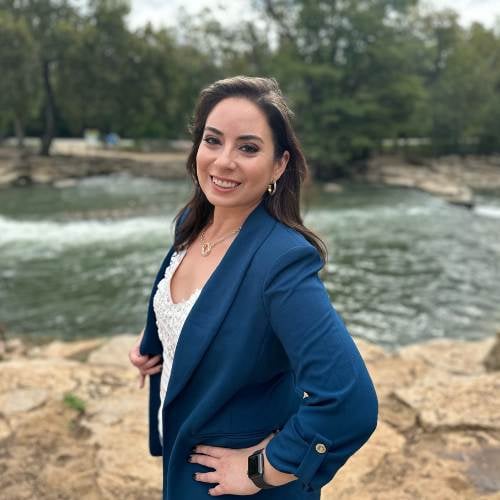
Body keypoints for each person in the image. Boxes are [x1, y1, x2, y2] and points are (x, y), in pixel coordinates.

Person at [128, 75, 378, 499]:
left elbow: (349, 401)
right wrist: (159, 339)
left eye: (247, 148)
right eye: (213, 140)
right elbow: (196, 310)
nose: (224, 161)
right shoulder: (194, 224)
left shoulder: (281, 260)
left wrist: (264, 469)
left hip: (232, 488)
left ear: (278, 165)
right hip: (182, 455)